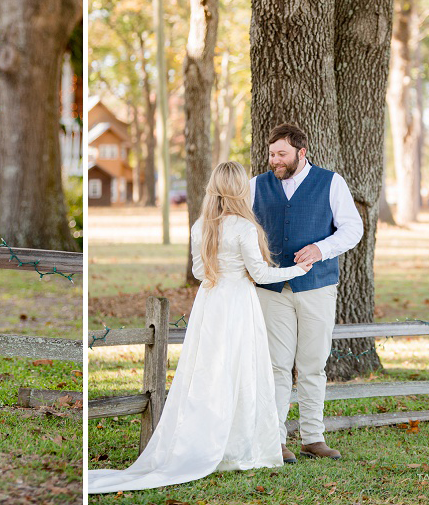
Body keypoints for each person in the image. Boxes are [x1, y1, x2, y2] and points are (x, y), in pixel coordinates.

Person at [88, 161, 312, 494]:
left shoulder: (200, 226)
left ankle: (208, 438)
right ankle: (236, 447)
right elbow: (261, 275)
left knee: (209, 371)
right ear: (239, 190)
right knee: (239, 370)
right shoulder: (244, 228)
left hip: (210, 303)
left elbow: (197, 272)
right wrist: (297, 270)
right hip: (237, 304)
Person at [251, 123, 363, 462]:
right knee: (276, 366)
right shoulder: (256, 185)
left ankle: (314, 438)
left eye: (282, 154)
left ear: (302, 152)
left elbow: (353, 228)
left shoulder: (331, 182)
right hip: (271, 288)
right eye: (272, 154)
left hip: (317, 287)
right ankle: (275, 438)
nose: (275, 160)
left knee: (313, 365)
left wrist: (321, 248)